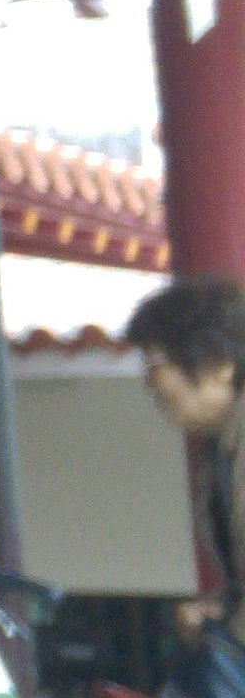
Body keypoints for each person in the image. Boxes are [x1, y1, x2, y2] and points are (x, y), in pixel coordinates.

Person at [126, 274, 245, 641]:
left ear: (219, 364)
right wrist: (225, 610)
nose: (148, 380)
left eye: (155, 361)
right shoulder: (221, 446)